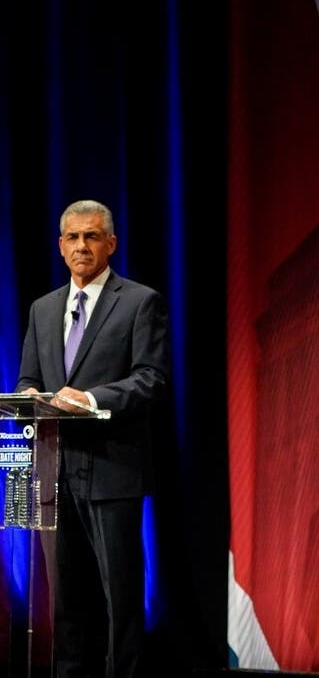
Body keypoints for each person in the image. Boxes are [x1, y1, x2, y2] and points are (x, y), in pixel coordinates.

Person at [16, 199, 170, 677]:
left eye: (92, 236)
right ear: (61, 247)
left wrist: (89, 398)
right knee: (65, 599)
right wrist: (28, 397)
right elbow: (27, 381)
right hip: (53, 472)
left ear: (111, 243)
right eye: (73, 238)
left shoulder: (140, 301)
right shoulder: (43, 308)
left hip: (111, 470)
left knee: (120, 598)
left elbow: (151, 378)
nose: (82, 246)